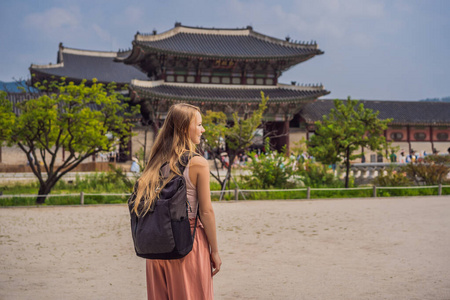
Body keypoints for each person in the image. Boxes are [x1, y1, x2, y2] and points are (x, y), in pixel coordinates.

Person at [131, 103, 221, 300]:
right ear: (184, 128)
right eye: (199, 124)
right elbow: (206, 212)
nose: (203, 129)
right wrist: (214, 251)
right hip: (187, 242)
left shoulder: (156, 161)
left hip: (157, 247)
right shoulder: (197, 163)